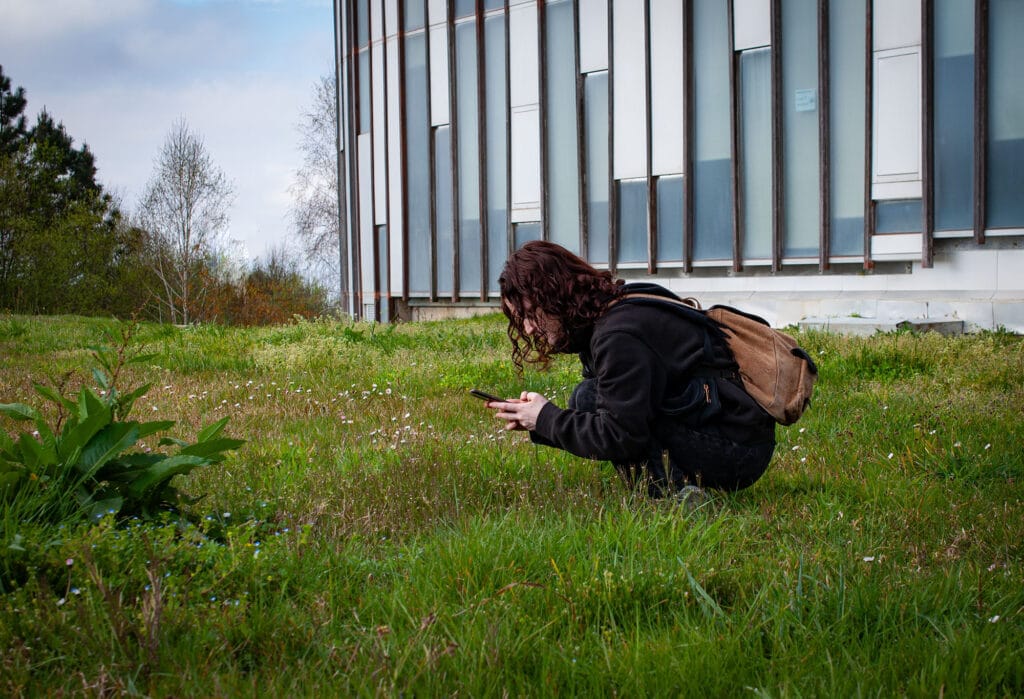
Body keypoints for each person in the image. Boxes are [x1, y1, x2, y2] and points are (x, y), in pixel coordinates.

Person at [487, 240, 776, 499]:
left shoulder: (618, 335)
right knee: (587, 397)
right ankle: (676, 489)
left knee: (590, 400)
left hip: (738, 451)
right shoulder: (613, 309)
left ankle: (671, 499)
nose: (526, 327)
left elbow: (620, 435)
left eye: (528, 314)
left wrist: (545, 418)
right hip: (734, 434)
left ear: (553, 296)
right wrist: (539, 422)